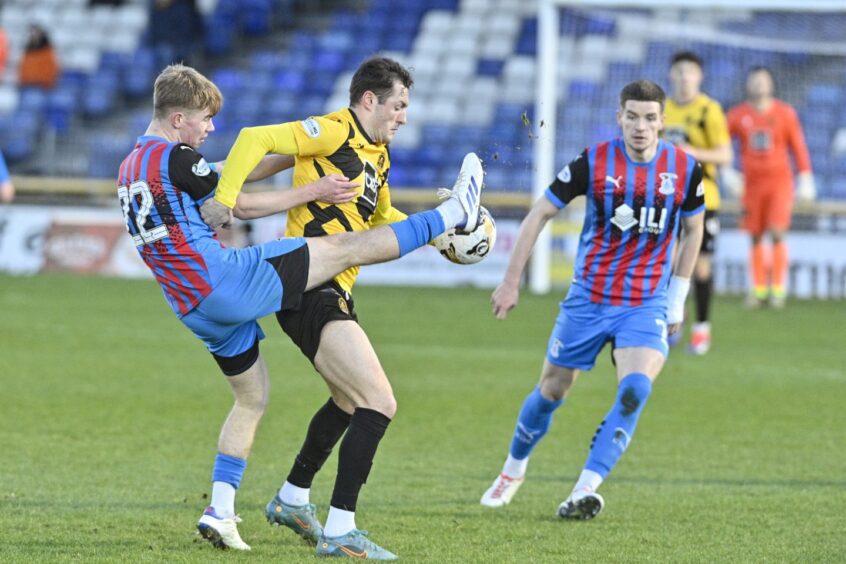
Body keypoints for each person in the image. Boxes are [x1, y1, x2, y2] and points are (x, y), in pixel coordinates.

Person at [119, 64, 483, 558]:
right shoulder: (179, 155)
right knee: (344, 248)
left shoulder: (132, 165)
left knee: (252, 398)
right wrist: (310, 189)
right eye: (205, 119)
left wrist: (437, 242)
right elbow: (239, 203)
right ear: (178, 118)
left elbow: (227, 171)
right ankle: (452, 210)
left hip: (191, 305)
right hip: (224, 281)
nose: (210, 129)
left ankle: (220, 510)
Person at [480, 80, 704, 520]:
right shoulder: (594, 161)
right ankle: (513, 469)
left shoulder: (686, 169)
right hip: (589, 299)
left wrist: (676, 300)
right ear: (619, 116)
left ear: (663, 121)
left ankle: (584, 488)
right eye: (632, 116)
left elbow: (694, 229)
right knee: (552, 390)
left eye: (650, 118)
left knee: (635, 389)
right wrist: (511, 281)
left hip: (645, 303)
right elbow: (540, 213)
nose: (641, 126)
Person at [726, 66, 814, 308]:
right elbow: (722, 142)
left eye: (763, 81)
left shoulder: (785, 113)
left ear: (771, 85)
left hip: (779, 183)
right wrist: (727, 172)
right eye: (754, 81)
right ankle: (758, 290)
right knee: (754, 236)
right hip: (752, 185)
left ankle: (777, 290)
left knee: (777, 232)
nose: (759, 85)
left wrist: (805, 176)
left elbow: (797, 145)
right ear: (748, 85)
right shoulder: (737, 115)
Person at [663, 51, 732, 355]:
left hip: (705, 198)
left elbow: (725, 155)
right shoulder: (661, 109)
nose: (684, 76)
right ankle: (673, 319)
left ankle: (702, 328)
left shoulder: (709, 110)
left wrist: (690, 151)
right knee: (668, 262)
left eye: (689, 71)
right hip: (667, 197)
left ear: (699, 76)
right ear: (671, 75)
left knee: (701, 268)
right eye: (679, 71)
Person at [18, 24, 60, 90]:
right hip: (28, 85)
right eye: (31, 33)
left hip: (43, 86)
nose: (34, 36)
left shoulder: (47, 51)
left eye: (36, 33)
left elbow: (51, 70)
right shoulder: (27, 52)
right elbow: (23, 69)